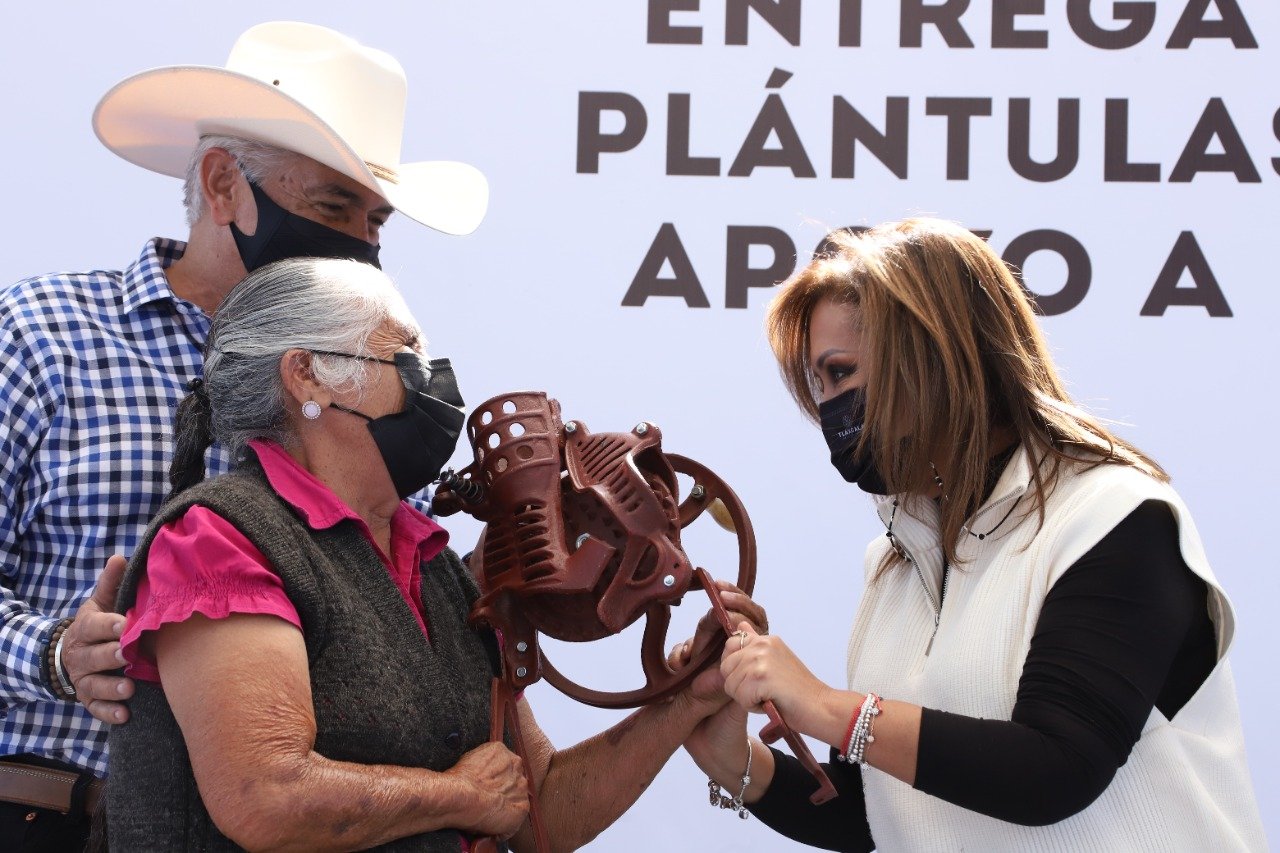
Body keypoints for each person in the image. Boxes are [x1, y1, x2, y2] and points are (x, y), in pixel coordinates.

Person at [0, 21, 487, 848]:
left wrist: (508, 578)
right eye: (333, 206)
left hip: (307, 820)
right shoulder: (41, 335)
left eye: (376, 219)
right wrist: (53, 654)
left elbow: (392, 591)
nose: (363, 243)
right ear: (223, 184)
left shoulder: (373, 372)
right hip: (56, 815)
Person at [107, 256, 761, 851]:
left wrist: (687, 700)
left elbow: (537, 810)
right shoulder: (218, 539)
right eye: (403, 355)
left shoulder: (435, 565)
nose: (435, 380)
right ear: (307, 376)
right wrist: (459, 796)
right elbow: (266, 796)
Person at [680, 218, 1266, 850]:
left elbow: (1055, 768)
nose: (828, 408)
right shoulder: (896, 559)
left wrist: (822, 706)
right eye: (818, 385)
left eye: (841, 373)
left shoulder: (1114, 517)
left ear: (934, 356)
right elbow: (892, 809)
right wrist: (733, 759)